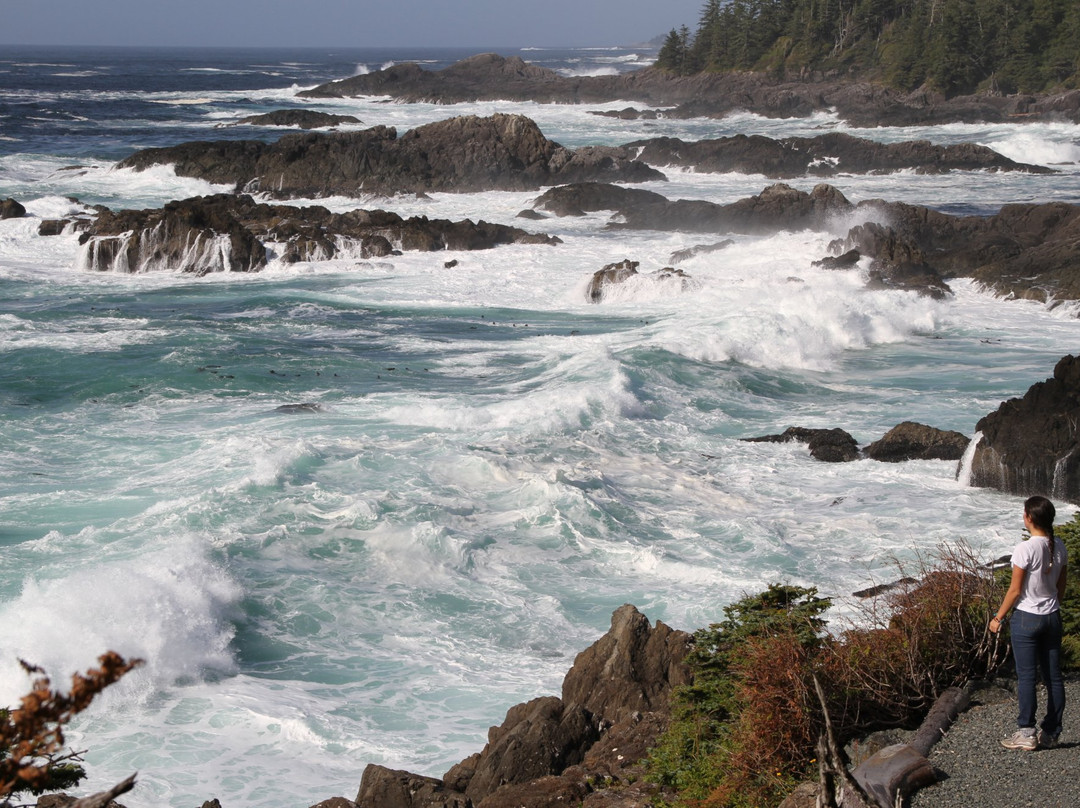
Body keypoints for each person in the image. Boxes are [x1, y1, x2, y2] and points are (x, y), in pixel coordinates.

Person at [990, 495, 1068, 750]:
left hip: (1026, 618)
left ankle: (1026, 733)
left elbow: (1014, 591)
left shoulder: (1025, 548)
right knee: (1053, 677)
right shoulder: (1060, 546)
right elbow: (1061, 588)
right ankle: (1052, 732)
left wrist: (997, 617)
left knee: (1026, 677)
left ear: (1029, 518)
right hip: (1052, 617)